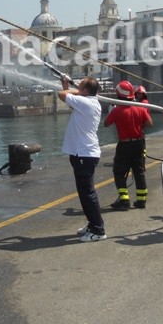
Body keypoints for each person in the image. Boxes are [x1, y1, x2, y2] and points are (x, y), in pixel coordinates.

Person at [59, 75, 106, 242]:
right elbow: (68, 99)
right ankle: (92, 224)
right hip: (82, 154)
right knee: (84, 192)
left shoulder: (87, 102)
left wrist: (70, 89)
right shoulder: (86, 103)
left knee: (88, 193)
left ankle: (98, 230)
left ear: (85, 91)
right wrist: (66, 84)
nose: (77, 89)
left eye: (80, 87)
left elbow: (62, 95)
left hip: (85, 154)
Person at [105, 81, 153, 209]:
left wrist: (113, 110)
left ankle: (124, 199)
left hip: (124, 145)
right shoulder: (140, 107)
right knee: (139, 172)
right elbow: (149, 124)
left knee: (119, 172)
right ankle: (141, 200)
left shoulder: (117, 110)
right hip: (138, 144)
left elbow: (106, 123)